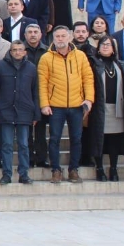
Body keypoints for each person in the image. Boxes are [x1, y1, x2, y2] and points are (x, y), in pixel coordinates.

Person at [38, 26, 95, 184]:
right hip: (55, 106)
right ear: (53, 38)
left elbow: (88, 78)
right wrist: (44, 104)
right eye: (57, 36)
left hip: (77, 105)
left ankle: (73, 170)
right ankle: (56, 170)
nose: (60, 39)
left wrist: (89, 99)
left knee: (76, 139)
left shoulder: (80, 56)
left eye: (63, 36)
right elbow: (42, 83)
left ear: (69, 37)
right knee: (54, 138)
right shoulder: (46, 58)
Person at [0, 40, 39, 185]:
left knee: (24, 144)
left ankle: (24, 174)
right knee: (7, 145)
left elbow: (35, 92)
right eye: (14, 49)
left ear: (25, 52)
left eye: (20, 49)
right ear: (10, 51)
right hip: (5, 111)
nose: (17, 52)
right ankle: (6, 174)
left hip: (25, 111)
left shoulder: (31, 68)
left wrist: (36, 114)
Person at [94, 36, 124, 182]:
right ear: (98, 48)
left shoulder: (119, 65)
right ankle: (99, 168)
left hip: (117, 108)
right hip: (99, 108)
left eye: (108, 44)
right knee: (99, 139)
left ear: (114, 48)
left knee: (114, 139)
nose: (105, 47)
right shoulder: (94, 64)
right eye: (103, 44)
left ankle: (113, 168)